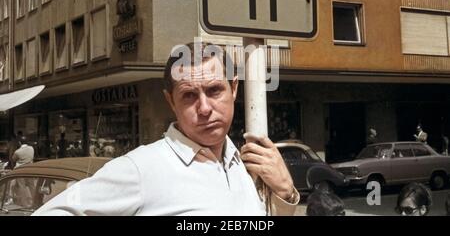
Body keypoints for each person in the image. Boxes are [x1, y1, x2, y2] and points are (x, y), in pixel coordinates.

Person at [33, 42, 299, 216]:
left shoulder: (242, 163)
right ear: (171, 101)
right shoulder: (141, 167)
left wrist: (286, 192)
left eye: (214, 90)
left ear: (234, 88)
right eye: (189, 96)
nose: (204, 107)